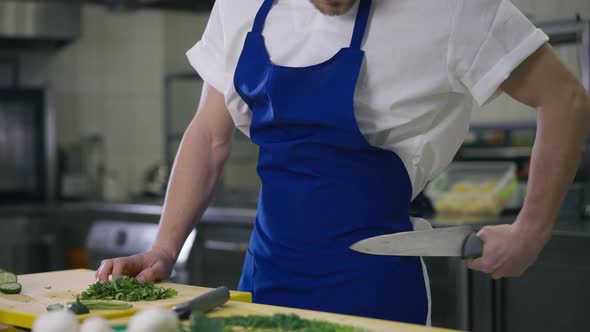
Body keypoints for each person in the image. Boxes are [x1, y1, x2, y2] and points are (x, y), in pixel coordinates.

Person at [96, 0, 590, 325]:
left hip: (373, 292)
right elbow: (209, 135)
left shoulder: (452, 10)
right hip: (264, 279)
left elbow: (564, 98)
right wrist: (164, 247)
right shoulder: (243, 6)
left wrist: (531, 232)